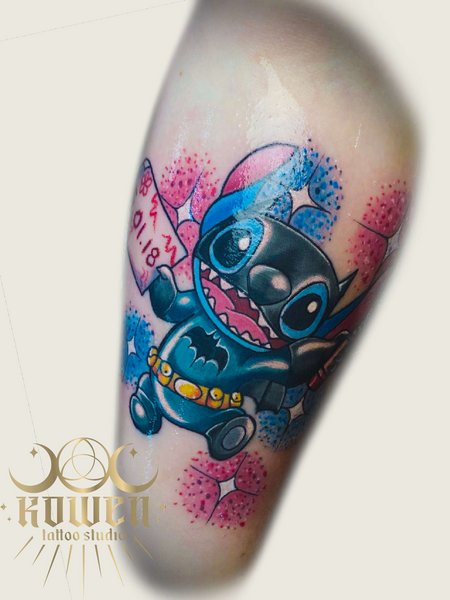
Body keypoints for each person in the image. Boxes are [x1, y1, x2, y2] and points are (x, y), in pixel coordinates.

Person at [119, 0, 416, 585]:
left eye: (301, 304)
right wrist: (165, 293)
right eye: (236, 247)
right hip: (165, 394)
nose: (266, 284)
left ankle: (198, 479)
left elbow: (298, 64)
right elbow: (175, 304)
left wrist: (181, 547)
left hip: (208, 424)